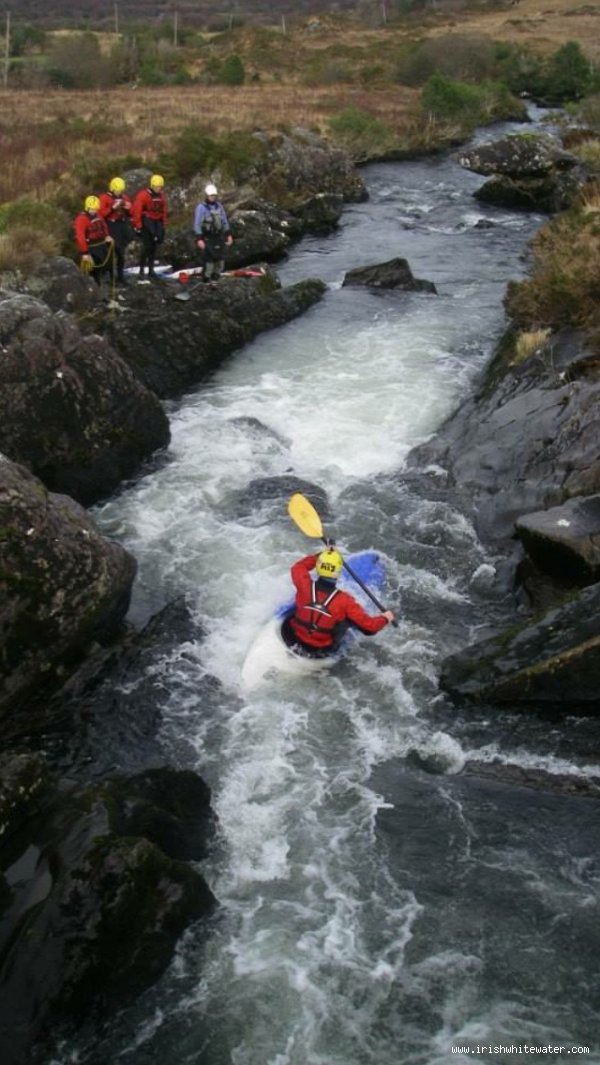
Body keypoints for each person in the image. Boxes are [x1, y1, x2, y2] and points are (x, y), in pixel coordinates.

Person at [281, 545, 395, 658]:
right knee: (348, 619)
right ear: (338, 572)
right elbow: (370, 627)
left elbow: (298, 567)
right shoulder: (345, 600)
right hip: (320, 649)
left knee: (303, 603)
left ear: (318, 567)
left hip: (294, 639)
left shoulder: (304, 585)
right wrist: (385, 618)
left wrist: (322, 555)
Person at [193, 183, 233, 283]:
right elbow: (197, 224)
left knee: (220, 260)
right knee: (209, 261)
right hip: (207, 237)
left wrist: (228, 235)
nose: (213, 197)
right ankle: (206, 279)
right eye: (211, 195)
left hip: (218, 237)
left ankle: (216, 278)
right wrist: (199, 239)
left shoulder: (219, 206)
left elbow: (224, 221)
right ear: (207, 195)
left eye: (214, 195)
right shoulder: (201, 207)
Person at [73, 195, 114, 287]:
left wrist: (107, 236)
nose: (94, 211)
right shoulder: (81, 219)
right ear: (87, 208)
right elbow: (80, 237)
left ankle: (101, 287)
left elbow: (104, 226)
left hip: (100, 246)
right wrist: (85, 253)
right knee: (93, 272)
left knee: (102, 268)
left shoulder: (98, 216)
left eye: (95, 209)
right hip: (90, 248)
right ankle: (95, 290)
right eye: (92, 209)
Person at [99, 176, 133, 285]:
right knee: (112, 252)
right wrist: (112, 208)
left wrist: (128, 209)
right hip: (111, 226)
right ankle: (110, 276)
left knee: (121, 253)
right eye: (118, 190)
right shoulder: (104, 198)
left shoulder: (125, 198)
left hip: (122, 225)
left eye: (121, 190)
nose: (119, 192)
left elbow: (131, 213)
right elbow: (101, 215)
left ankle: (120, 276)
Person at [132, 173, 167, 280]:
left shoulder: (161, 195)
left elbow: (164, 210)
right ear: (152, 185)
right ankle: (142, 270)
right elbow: (137, 211)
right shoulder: (143, 195)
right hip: (147, 222)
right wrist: (138, 225)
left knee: (154, 247)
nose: (159, 189)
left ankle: (151, 270)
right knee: (147, 246)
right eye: (157, 187)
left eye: (160, 187)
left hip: (157, 222)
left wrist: (164, 224)